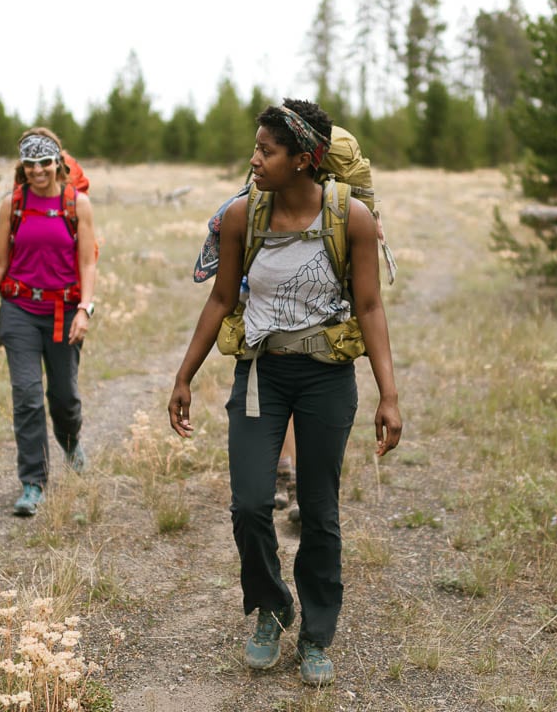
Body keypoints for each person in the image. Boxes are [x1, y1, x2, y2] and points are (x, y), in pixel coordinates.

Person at [168, 99, 402, 685]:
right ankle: (271, 607)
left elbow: (370, 306)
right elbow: (222, 298)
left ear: (303, 160)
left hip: (326, 378)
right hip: (258, 374)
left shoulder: (352, 221)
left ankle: (318, 634)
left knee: (319, 512)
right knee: (249, 503)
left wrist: (389, 395)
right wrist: (184, 376)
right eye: (255, 147)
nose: (253, 159)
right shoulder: (243, 217)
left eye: (266, 151)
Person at [0, 128, 98, 516]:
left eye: (44, 163)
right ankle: (32, 482)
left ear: (57, 163)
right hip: (19, 311)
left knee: (64, 398)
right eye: (30, 164)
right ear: (23, 166)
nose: (37, 170)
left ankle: (70, 439)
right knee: (26, 397)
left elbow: (88, 262)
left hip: (64, 313)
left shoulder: (77, 204)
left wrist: (85, 308)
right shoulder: (13, 204)